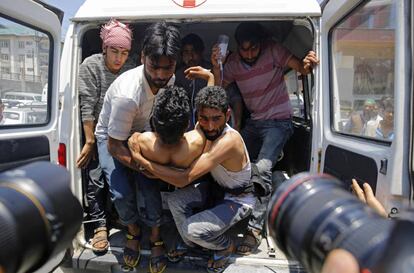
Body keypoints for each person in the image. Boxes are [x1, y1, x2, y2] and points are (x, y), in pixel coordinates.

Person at [211, 22, 319, 254]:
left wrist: (308, 64)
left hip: (279, 122)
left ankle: (253, 230)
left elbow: (301, 67)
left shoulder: (274, 51)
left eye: (254, 48)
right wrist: (215, 65)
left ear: (261, 44)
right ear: (238, 47)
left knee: (261, 169)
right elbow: (219, 87)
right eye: (244, 49)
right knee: (230, 162)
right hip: (254, 123)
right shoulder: (233, 64)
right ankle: (229, 213)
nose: (249, 54)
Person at [129, 86, 255, 273]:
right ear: (197, 116)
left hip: (237, 199)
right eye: (204, 118)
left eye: (216, 119)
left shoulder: (229, 142)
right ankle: (194, 243)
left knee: (191, 229)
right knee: (174, 201)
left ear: (227, 115)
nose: (210, 126)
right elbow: (182, 170)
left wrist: (141, 160)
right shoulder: (201, 128)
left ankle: (224, 246)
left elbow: (182, 179)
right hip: (215, 188)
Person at [94, 21, 181, 270]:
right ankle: (133, 232)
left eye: (168, 67)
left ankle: (155, 237)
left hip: (142, 131)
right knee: (122, 193)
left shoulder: (169, 79)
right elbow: (114, 146)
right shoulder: (127, 95)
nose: (162, 75)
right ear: (143, 57)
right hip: (112, 138)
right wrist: (144, 165)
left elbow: (159, 116)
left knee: (150, 189)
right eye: (155, 66)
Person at [76, 18, 134, 253]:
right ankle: (100, 225)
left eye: (124, 52)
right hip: (97, 133)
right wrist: (89, 141)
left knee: (122, 181)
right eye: (114, 51)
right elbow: (87, 105)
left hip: (124, 133)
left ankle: (120, 218)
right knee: (96, 179)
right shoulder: (91, 66)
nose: (119, 58)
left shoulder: (130, 70)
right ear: (104, 48)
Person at [175, 33, 212, 129]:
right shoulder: (178, 74)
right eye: (186, 52)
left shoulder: (210, 70)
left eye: (194, 51)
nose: (190, 56)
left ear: (201, 52)